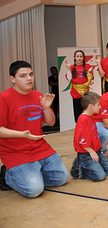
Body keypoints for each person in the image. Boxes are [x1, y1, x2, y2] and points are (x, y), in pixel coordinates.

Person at [0, 60, 68, 197]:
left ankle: (31, 173)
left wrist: (46, 107)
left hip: (40, 148)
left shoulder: (38, 95)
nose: (29, 78)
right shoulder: (4, 98)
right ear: (12, 79)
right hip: (16, 152)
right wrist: (22, 135)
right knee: (34, 190)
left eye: (31, 74)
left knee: (62, 178)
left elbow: (51, 122)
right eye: (23, 76)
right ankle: (8, 174)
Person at [71, 91, 108, 181]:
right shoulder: (83, 120)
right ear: (90, 106)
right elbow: (81, 140)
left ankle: (93, 166)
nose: (100, 107)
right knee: (100, 176)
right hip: (86, 153)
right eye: (98, 105)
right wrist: (91, 151)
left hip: (96, 151)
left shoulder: (91, 117)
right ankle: (80, 168)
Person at [64, 50, 94, 122]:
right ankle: (78, 126)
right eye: (77, 56)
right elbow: (69, 79)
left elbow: (91, 79)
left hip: (85, 93)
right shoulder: (72, 67)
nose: (79, 58)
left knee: (86, 110)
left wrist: (90, 73)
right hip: (75, 92)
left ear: (83, 58)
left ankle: (86, 126)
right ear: (75, 58)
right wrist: (68, 69)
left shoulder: (87, 66)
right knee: (77, 111)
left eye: (81, 56)